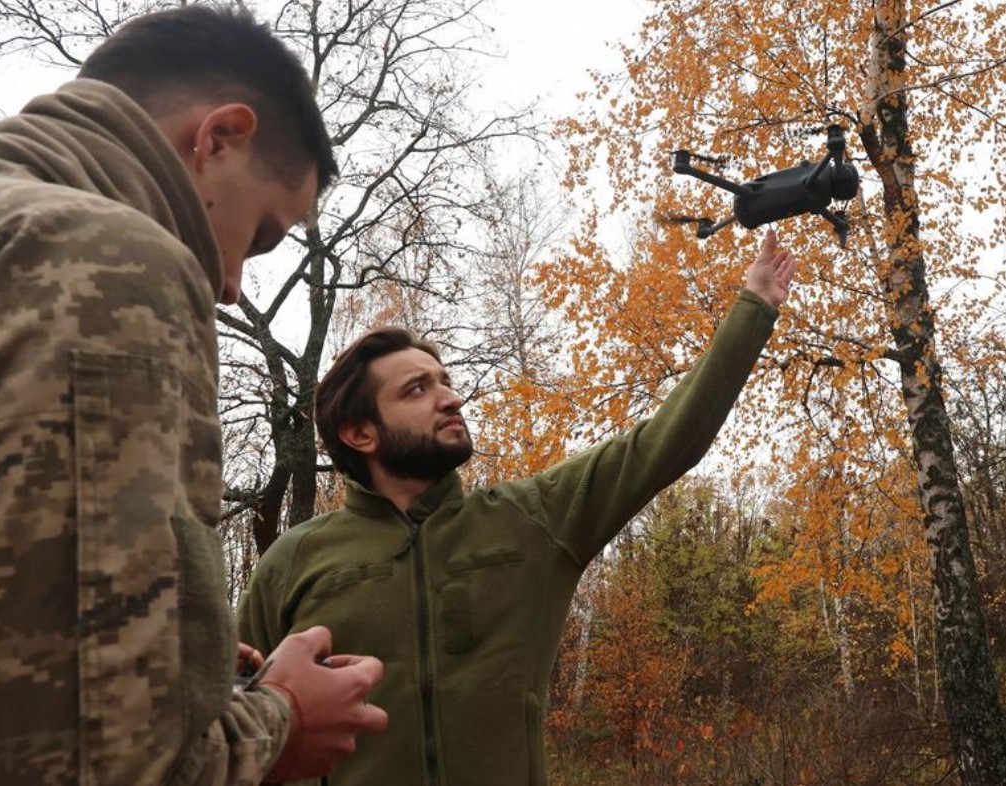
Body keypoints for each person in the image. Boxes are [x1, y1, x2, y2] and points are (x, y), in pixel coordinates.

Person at [0, 5, 388, 786]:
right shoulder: (92, 256)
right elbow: (80, 756)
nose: (230, 285)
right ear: (219, 138)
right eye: (259, 238)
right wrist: (281, 722)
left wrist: (182, 661)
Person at [239, 231, 798, 785]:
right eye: (416, 390)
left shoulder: (531, 519)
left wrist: (753, 308)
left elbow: (661, 444)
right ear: (360, 433)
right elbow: (233, 723)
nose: (451, 397)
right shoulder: (293, 562)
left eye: (445, 382)